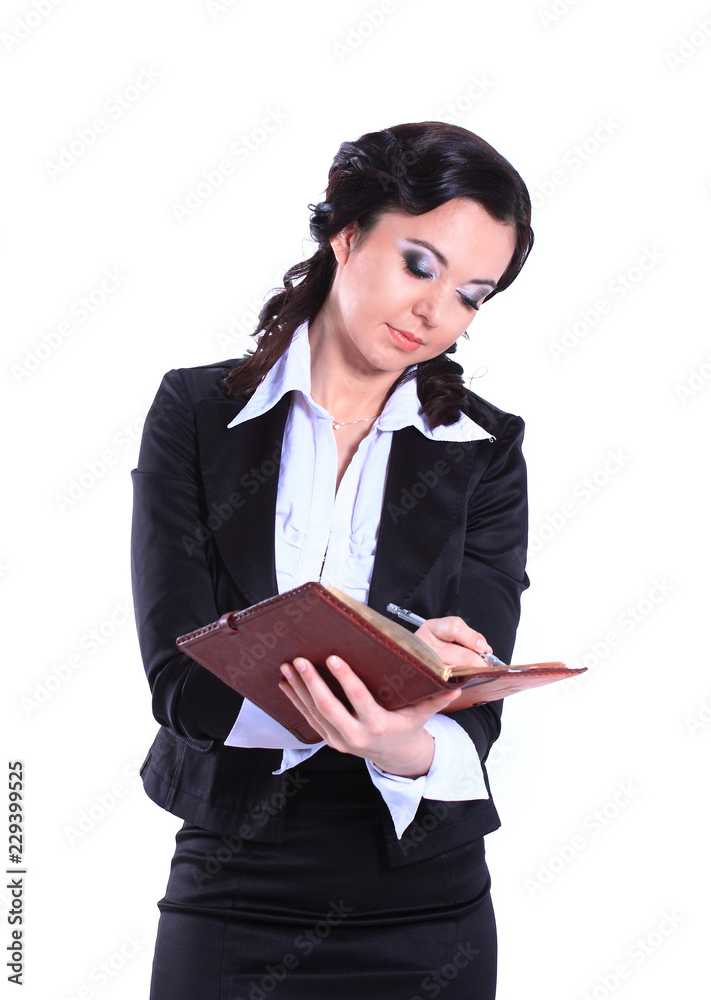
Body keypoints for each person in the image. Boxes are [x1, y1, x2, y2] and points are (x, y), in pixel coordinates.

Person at [131, 120, 533, 1000]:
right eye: (419, 265)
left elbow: (473, 717)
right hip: (235, 881)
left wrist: (402, 740)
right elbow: (181, 683)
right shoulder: (197, 415)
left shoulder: (483, 449)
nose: (436, 313)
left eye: (471, 295)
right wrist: (382, 681)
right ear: (347, 234)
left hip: (427, 898)